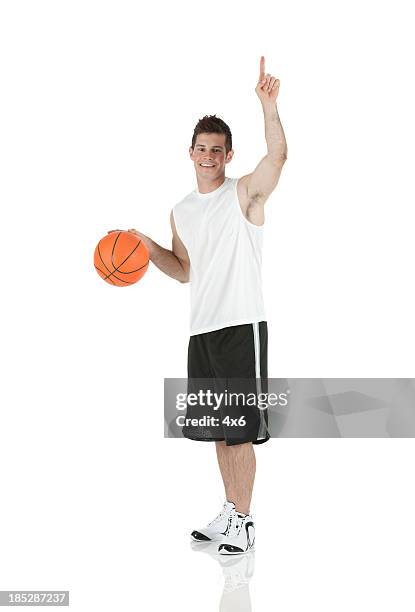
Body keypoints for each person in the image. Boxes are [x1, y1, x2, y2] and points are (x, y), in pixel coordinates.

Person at [111, 56, 287, 555]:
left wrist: (269, 108)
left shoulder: (244, 195)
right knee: (217, 430)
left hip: (240, 325)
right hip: (202, 330)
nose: (208, 156)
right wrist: (146, 247)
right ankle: (230, 510)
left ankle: (246, 523)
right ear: (190, 152)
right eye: (202, 149)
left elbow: (277, 159)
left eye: (217, 150)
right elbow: (184, 268)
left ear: (229, 155)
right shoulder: (181, 210)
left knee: (241, 434)